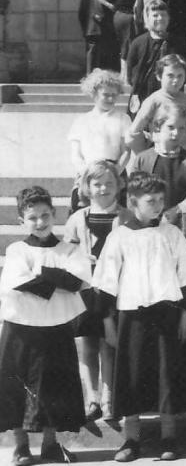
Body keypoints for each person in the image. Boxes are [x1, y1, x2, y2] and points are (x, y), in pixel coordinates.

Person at [91, 172, 186, 462]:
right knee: (132, 376)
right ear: (132, 202)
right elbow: (105, 283)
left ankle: (169, 437)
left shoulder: (172, 234)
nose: (158, 206)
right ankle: (131, 440)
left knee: (167, 376)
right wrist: (107, 322)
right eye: (151, 201)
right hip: (132, 317)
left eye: (161, 200)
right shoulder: (119, 237)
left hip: (168, 315)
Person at [0, 187, 90, 466]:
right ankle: (21, 447)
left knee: (54, 386)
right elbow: (21, 282)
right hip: (20, 327)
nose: (40, 222)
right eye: (32, 218)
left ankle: (51, 445)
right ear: (21, 221)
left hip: (57, 327)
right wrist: (59, 279)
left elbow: (77, 281)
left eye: (45, 215)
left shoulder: (69, 249)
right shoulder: (16, 249)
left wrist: (42, 274)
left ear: (55, 215)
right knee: (16, 387)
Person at [63, 161, 128, 422]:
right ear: (87, 187)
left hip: (114, 290)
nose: (103, 189)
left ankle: (109, 397)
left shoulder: (125, 216)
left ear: (119, 186)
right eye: (97, 184)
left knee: (108, 345)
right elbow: (65, 255)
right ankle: (91, 398)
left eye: (109, 183)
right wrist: (80, 258)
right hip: (86, 290)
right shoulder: (78, 218)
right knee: (87, 344)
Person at [68, 69, 131, 211]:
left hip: (115, 170)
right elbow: (75, 155)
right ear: (94, 93)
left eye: (114, 95)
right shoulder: (81, 121)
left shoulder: (123, 119)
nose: (110, 99)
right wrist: (86, 173)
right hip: (87, 171)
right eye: (106, 95)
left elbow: (126, 151)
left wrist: (115, 172)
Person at [133, 104, 186, 213]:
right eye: (171, 127)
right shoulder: (143, 159)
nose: (176, 133)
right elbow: (134, 193)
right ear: (158, 126)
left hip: (181, 219)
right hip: (150, 219)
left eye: (181, 128)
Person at [128, 53, 186, 153]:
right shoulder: (154, 100)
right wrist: (144, 155)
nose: (175, 80)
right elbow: (134, 132)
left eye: (180, 76)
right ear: (159, 76)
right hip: (161, 151)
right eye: (170, 76)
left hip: (183, 152)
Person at [124, 0, 183, 111]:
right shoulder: (138, 43)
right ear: (147, 18)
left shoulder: (177, 43)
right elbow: (131, 72)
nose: (160, 18)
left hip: (170, 97)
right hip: (143, 96)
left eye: (163, 15)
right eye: (155, 15)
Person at [106, 0, 151, 75]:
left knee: (123, 43)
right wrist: (140, 5)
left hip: (118, 16)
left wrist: (109, 5)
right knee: (130, 43)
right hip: (131, 16)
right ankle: (127, 73)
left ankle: (124, 73)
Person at [80, 0, 118, 73]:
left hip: (90, 29)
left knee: (91, 53)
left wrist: (85, 29)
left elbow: (82, 14)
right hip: (105, 28)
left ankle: (89, 76)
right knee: (106, 55)